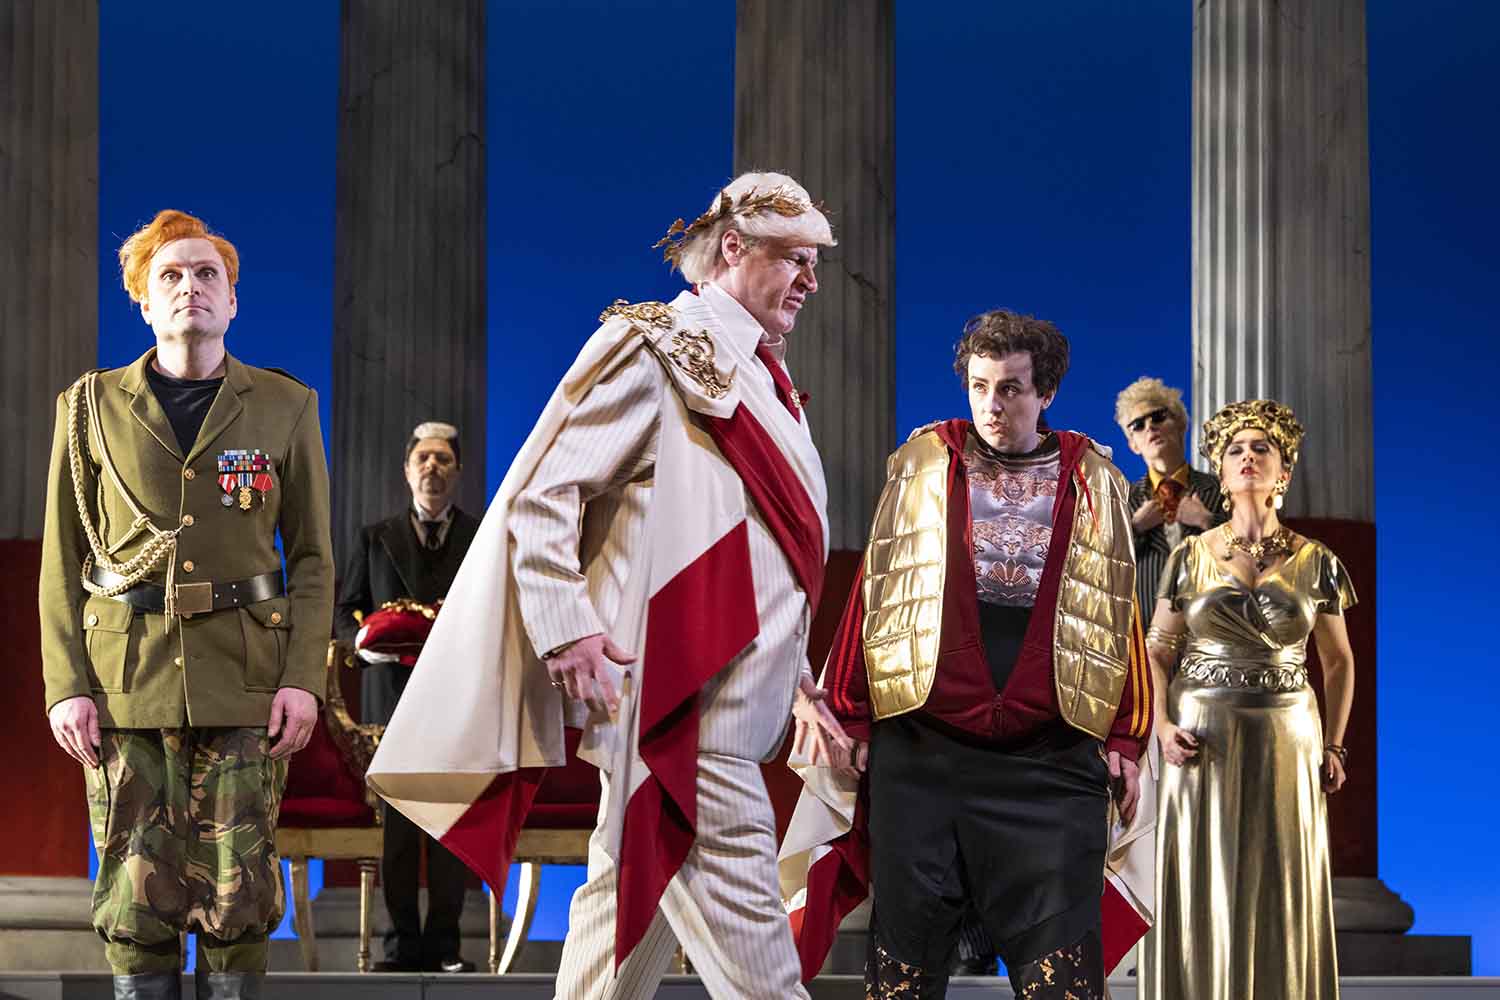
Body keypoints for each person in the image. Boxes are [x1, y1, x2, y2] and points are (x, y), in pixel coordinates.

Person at [365, 172, 850, 999]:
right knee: (766, 980)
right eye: (793, 258)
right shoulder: (657, 343)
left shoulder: (764, 374)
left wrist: (798, 678)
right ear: (734, 248)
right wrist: (566, 629)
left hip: (726, 701)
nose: (810, 279)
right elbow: (544, 491)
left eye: (815, 262)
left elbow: (766, 547)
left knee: (619, 920)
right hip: (683, 710)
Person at [781, 310, 1153, 998]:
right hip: (925, 749)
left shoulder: (1093, 477)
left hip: (1052, 753)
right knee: (906, 971)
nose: (991, 405)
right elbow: (878, 587)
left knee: (1065, 976)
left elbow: (1116, 607)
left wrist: (1128, 735)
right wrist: (852, 713)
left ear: (1046, 393)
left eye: (1011, 388)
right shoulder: (925, 461)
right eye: (980, 386)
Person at [39, 210, 333, 1000]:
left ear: (233, 300)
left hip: (245, 678)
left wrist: (302, 678)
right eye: (169, 275)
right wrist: (66, 686)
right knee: (135, 899)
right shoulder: (89, 407)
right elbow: (61, 560)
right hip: (126, 679)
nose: (189, 287)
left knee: (242, 897)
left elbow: (312, 559)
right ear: (142, 300)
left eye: (208, 274)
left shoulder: (285, 404)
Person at [1146, 399, 1355, 1000]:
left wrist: (1334, 745)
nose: (1247, 457)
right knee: (1204, 869)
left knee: (1280, 870)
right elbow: (1157, 650)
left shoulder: (1317, 560)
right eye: (1234, 450)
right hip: (1199, 732)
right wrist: (1160, 725)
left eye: (1261, 448)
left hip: (1289, 734)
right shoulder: (1190, 555)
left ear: (1282, 472)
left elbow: (1338, 662)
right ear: (1220, 469)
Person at [334, 421, 480, 972]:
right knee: (395, 832)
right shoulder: (374, 537)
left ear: (458, 471)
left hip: (457, 703)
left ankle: (445, 947)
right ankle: (400, 946)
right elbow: (343, 611)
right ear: (407, 470)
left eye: (443, 459)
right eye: (423, 458)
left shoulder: (481, 537)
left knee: (448, 827)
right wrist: (363, 648)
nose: (432, 467)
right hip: (389, 702)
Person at [1115, 377, 1224, 617]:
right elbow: (1103, 567)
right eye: (1138, 425)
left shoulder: (1220, 489)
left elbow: (1249, 552)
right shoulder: (1122, 500)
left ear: (1180, 423)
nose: (1150, 427)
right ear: (1133, 445)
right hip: (1147, 631)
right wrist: (1134, 528)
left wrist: (1207, 521)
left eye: (1158, 417)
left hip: (1211, 628)